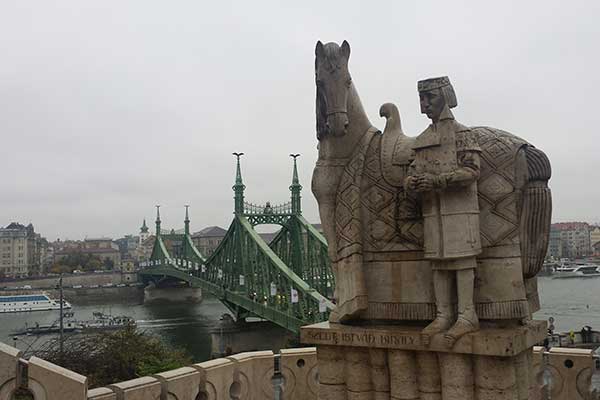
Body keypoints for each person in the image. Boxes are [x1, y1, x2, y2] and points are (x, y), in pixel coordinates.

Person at [405, 76, 482, 347]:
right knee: (438, 262)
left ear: (445, 97)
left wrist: (438, 180)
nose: (424, 104)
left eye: (430, 98)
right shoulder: (422, 140)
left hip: (459, 212)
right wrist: (411, 182)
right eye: (421, 99)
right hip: (433, 212)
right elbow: (412, 172)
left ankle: (467, 315)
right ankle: (443, 315)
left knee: (461, 262)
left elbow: (472, 171)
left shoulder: (463, 134)